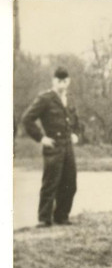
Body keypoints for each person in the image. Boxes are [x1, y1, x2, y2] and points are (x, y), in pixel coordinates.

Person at [21, 67, 81, 227]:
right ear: (53, 81)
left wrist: (76, 133)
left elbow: (76, 120)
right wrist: (41, 138)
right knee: (50, 183)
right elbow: (27, 119)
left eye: (65, 80)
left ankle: (62, 216)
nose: (62, 83)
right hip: (53, 146)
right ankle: (44, 219)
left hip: (68, 146)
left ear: (69, 81)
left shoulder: (70, 98)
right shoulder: (45, 98)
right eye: (59, 80)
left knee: (70, 183)